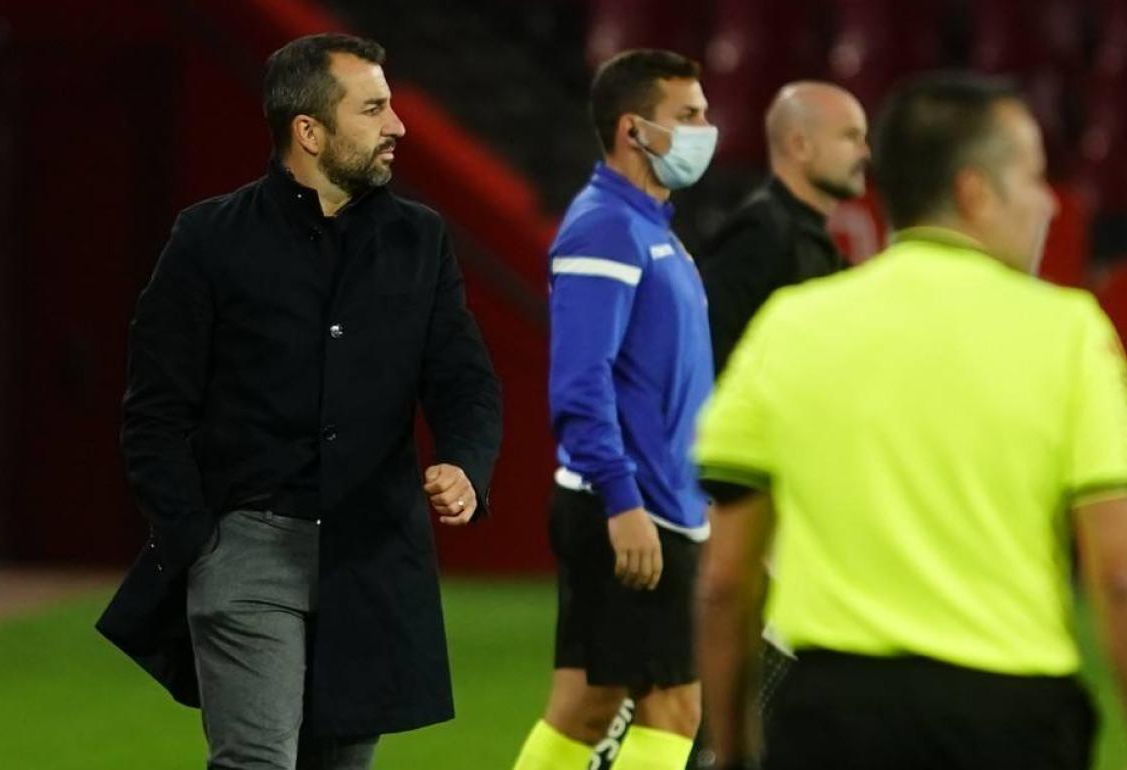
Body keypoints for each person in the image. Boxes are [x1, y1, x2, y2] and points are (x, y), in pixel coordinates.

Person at [693, 72, 1127, 770]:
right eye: (1033, 177)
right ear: (974, 192)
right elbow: (1124, 578)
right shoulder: (1069, 332)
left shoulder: (790, 326)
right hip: (1009, 717)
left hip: (831, 717)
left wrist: (734, 750)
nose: (1048, 203)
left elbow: (723, 584)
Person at [96, 33, 502, 770]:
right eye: (373, 109)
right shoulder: (208, 238)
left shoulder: (420, 240)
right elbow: (155, 410)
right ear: (309, 132)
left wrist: (466, 464)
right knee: (257, 761)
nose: (397, 126)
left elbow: (464, 380)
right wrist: (199, 542)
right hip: (247, 551)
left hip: (371, 560)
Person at [511, 49, 716, 770]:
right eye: (687, 115)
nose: (705, 130)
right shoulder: (606, 228)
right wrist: (624, 502)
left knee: (589, 707)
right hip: (630, 508)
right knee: (672, 707)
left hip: (659, 504)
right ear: (634, 129)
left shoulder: (649, 229)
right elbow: (580, 382)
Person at [699, 81, 869, 374]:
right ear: (800, 146)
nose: (865, 152)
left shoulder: (806, 237)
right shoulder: (759, 235)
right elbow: (712, 353)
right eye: (850, 137)